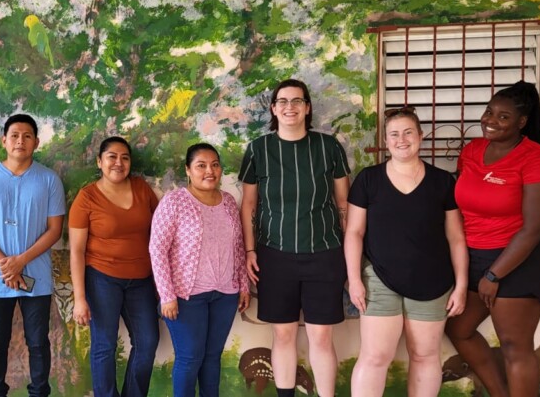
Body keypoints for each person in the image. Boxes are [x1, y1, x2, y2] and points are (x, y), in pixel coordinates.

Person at [445, 81, 540, 397]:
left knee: (514, 345)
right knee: (459, 329)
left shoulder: (536, 160)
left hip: (522, 258)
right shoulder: (471, 151)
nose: (491, 120)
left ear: (522, 122)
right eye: (489, 112)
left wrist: (495, 274)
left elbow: (536, 228)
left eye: (503, 116)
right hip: (477, 256)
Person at [344, 106, 468, 397]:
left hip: (434, 284)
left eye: (408, 132)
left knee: (425, 356)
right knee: (375, 357)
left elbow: (456, 237)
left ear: (420, 136)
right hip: (379, 280)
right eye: (394, 134)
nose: (402, 140)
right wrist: (354, 279)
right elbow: (354, 232)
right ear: (386, 141)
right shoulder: (368, 180)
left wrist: (461, 285)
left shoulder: (442, 182)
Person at [238, 78, 350, 397]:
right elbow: (249, 204)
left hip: (325, 253)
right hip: (274, 255)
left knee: (321, 337)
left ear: (307, 107)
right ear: (274, 109)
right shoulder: (258, 149)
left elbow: (344, 204)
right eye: (283, 102)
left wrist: (348, 255)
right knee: (283, 335)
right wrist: (249, 250)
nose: (290, 107)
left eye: (297, 101)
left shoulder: (329, 147)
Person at [0, 114, 66, 397]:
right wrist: (6, 265)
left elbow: (54, 229)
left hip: (35, 277)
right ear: (4, 141)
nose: (20, 141)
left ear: (36, 142)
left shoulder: (49, 180)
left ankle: (39, 392)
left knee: (38, 342)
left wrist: (21, 262)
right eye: (14, 135)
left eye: (26, 136)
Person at [149, 143, 250, 397]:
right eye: (201, 165)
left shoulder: (227, 202)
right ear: (188, 170)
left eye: (215, 165)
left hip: (225, 295)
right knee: (190, 357)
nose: (209, 171)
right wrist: (167, 295)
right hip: (186, 296)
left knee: (212, 357)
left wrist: (243, 285)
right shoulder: (174, 201)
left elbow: (238, 246)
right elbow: (157, 249)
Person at [68, 136, 160, 397]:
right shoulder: (86, 198)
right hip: (102, 279)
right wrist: (79, 298)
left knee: (147, 342)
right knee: (104, 345)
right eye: (112, 157)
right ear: (100, 161)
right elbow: (76, 251)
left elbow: (163, 232)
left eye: (125, 157)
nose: (118, 163)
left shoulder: (142, 189)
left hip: (141, 280)